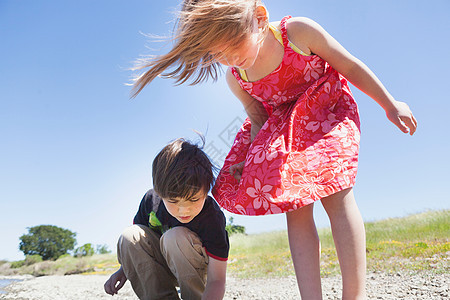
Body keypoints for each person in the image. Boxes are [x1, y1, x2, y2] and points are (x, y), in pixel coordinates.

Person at [129, 1, 417, 299]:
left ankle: (354, 296)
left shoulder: (297, 32)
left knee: (338, 198)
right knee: (295, 210)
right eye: (219, 54)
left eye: (234, 45)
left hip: (326, 116)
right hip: (285, 133)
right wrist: (252, 161)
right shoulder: (236, 77)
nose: (230, 58)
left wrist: (389, 103)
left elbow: (349, 65)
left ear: (259, 18)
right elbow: (258, 119)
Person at [104, 138, 229, 300]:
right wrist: (124, 270)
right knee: (130, 235)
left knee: (174, 237)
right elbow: (136, 247)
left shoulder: (211, 216)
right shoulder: (150, 200)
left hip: (193, 269)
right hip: (159, 268)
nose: (184, 210)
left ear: (206, 191)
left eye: (194, 199)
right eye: (173, 201)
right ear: (159, 193)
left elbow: (217, 280)